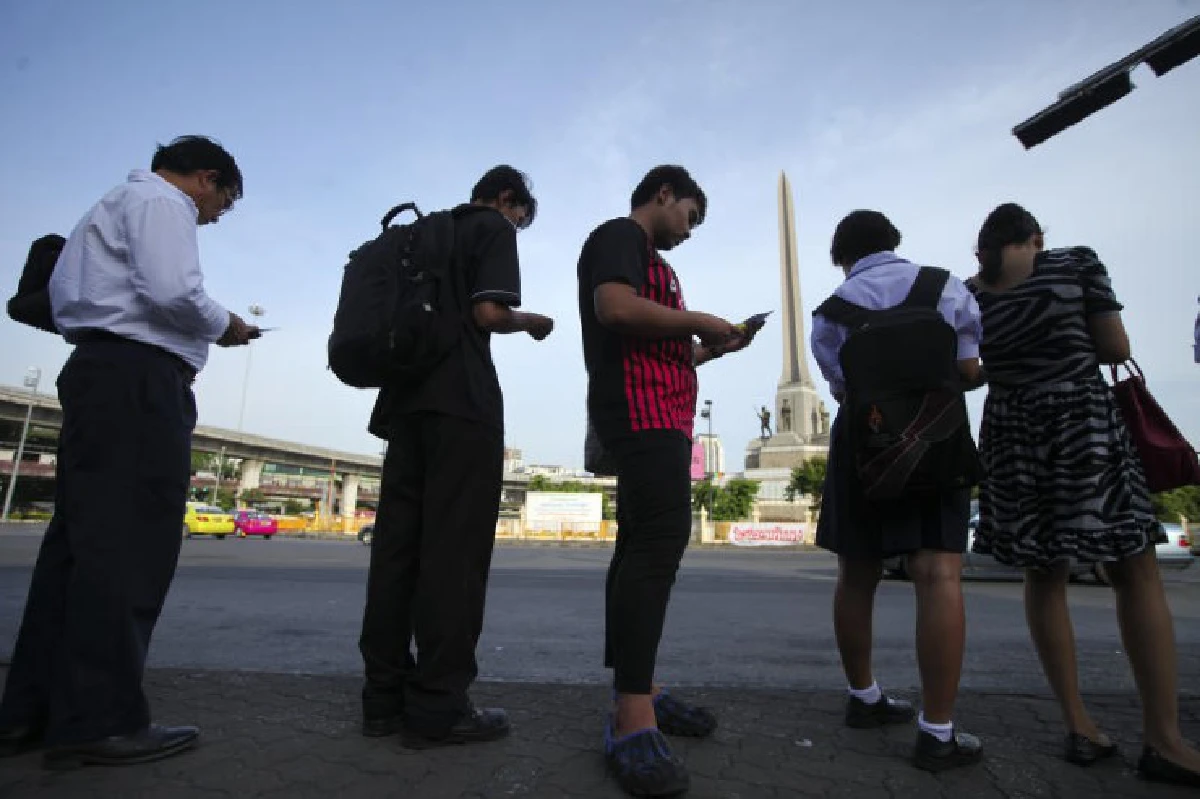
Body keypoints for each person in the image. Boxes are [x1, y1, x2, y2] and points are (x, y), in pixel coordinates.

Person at [0, 135, 256, 770]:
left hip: (99, 374)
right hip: (139, 383)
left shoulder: (104, 210)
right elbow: (173, 292)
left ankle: (31, 713)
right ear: (205, 178)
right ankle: (101, 720)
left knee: (77, 552)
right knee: (128, 551)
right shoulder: (161, 204)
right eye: (221, 202)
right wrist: (224, 323)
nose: (215, 215)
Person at [969, 203, 1200, 787]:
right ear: (1036, 237)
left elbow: (971, 369)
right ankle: (1164, 738)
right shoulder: (1076, 264)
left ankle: (1079, 725)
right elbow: (1114, 346)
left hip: (1012, 433)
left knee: (1043, 577)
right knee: (1134, 571)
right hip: (1080, 425)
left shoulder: (970, 292)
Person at [358, 166, 555, 750]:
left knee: (397, 552)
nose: (517, 225)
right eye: (520, 215)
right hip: (461, 406)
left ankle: (382, 701)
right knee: (455, 557)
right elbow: (488, 314)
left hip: (405, 405)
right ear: (505, 199)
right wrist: (533, 322)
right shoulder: (491, 227)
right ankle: (439, 708)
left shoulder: (423, 234)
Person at [577, 164, 756, 797]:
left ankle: (641, 686)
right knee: (656, 549)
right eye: (690, 215)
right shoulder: (619, 237)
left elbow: (655, 341)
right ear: (664, 193)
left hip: (660, 411)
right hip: (642, 413)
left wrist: (713, 347)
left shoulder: (645, 255)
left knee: (639, 552)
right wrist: (700, 319)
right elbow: (615, 307)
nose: (689, 230)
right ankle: (631, 717)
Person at [810, 210, 985, 773]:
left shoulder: (831, 311)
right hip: (938, 438)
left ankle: (864, 698)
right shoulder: (946, 286)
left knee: (856, 574)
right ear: (895, 243)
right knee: (938, 575)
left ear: (842, 257)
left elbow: (842, 389)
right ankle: (938, 731)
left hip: (864, 444)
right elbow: (968, 367)